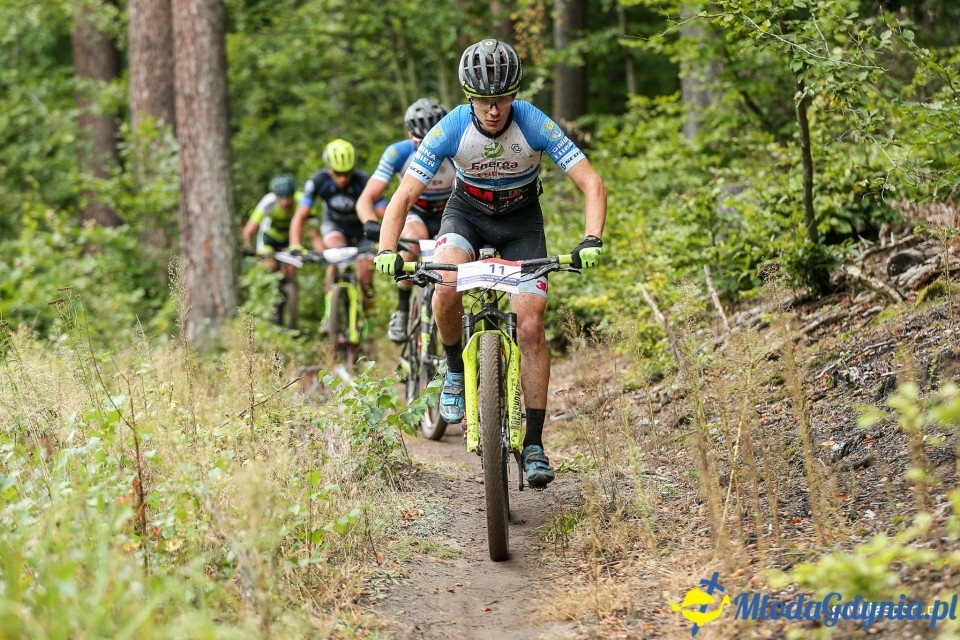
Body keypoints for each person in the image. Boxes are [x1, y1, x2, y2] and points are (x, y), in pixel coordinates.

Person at [373, 38, 607, 487]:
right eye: (483, 101)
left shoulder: (534, 123)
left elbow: (592, 183)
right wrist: (387, 250)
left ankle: (534, 444)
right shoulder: (451, 127)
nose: (493, 110)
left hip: (521, 223)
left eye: (500, 99)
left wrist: (591, 238)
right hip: (466, 216)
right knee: (444, 284)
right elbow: (404, 196)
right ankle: (456, 375)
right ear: (469, 98)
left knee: (532, 325)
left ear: (514, 95)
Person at [357, 98, 457, 343]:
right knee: (413, 241)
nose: (429, 147)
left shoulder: (457, 149)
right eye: (421, 142)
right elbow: (366, 198)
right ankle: (402, 309)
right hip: (417, 212)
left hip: (450, 211)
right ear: (410, 136)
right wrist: (370, 222)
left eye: (434, 139)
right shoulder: (398, 153)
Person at [288, 139, 386, 316]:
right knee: (335, 257)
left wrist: (388, 239)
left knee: (365, 278)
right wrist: (295, 244)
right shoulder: (319, 181)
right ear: (328, 169)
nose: (343, 179)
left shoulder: (363, 180)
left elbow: (384, 213)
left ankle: (367, 319)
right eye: (338, 174)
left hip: (362, 229)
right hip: (335, 226)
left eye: (347, 173)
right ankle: (329, 314)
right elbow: (300, 216)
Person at [241, 174, 303, 324]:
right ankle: (271, 306)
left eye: (289, 197)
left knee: (292, 268)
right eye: (281, 198)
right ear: (275, 196)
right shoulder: (268, 202)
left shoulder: (301, 200)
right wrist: (248, 246)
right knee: (269, 266)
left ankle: (291, 309)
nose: (286, 202)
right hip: (269, 238)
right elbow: (250, 229)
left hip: (290, 239)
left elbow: (312, 227)